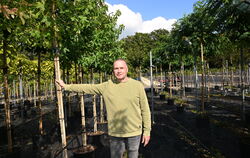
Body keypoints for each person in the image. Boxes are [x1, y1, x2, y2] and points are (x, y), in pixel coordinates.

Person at [56, 59, 151, 158]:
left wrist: (147, 131)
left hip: (134, 131)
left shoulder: (137, 86)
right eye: (116, 68)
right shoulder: (107, 86)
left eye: (121, 68)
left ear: (127, 69)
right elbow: (87, 87)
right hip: (115, 132)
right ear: (113, 71)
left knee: (133, 154)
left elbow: (145, 109)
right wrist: (66, 86)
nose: (119, 71)